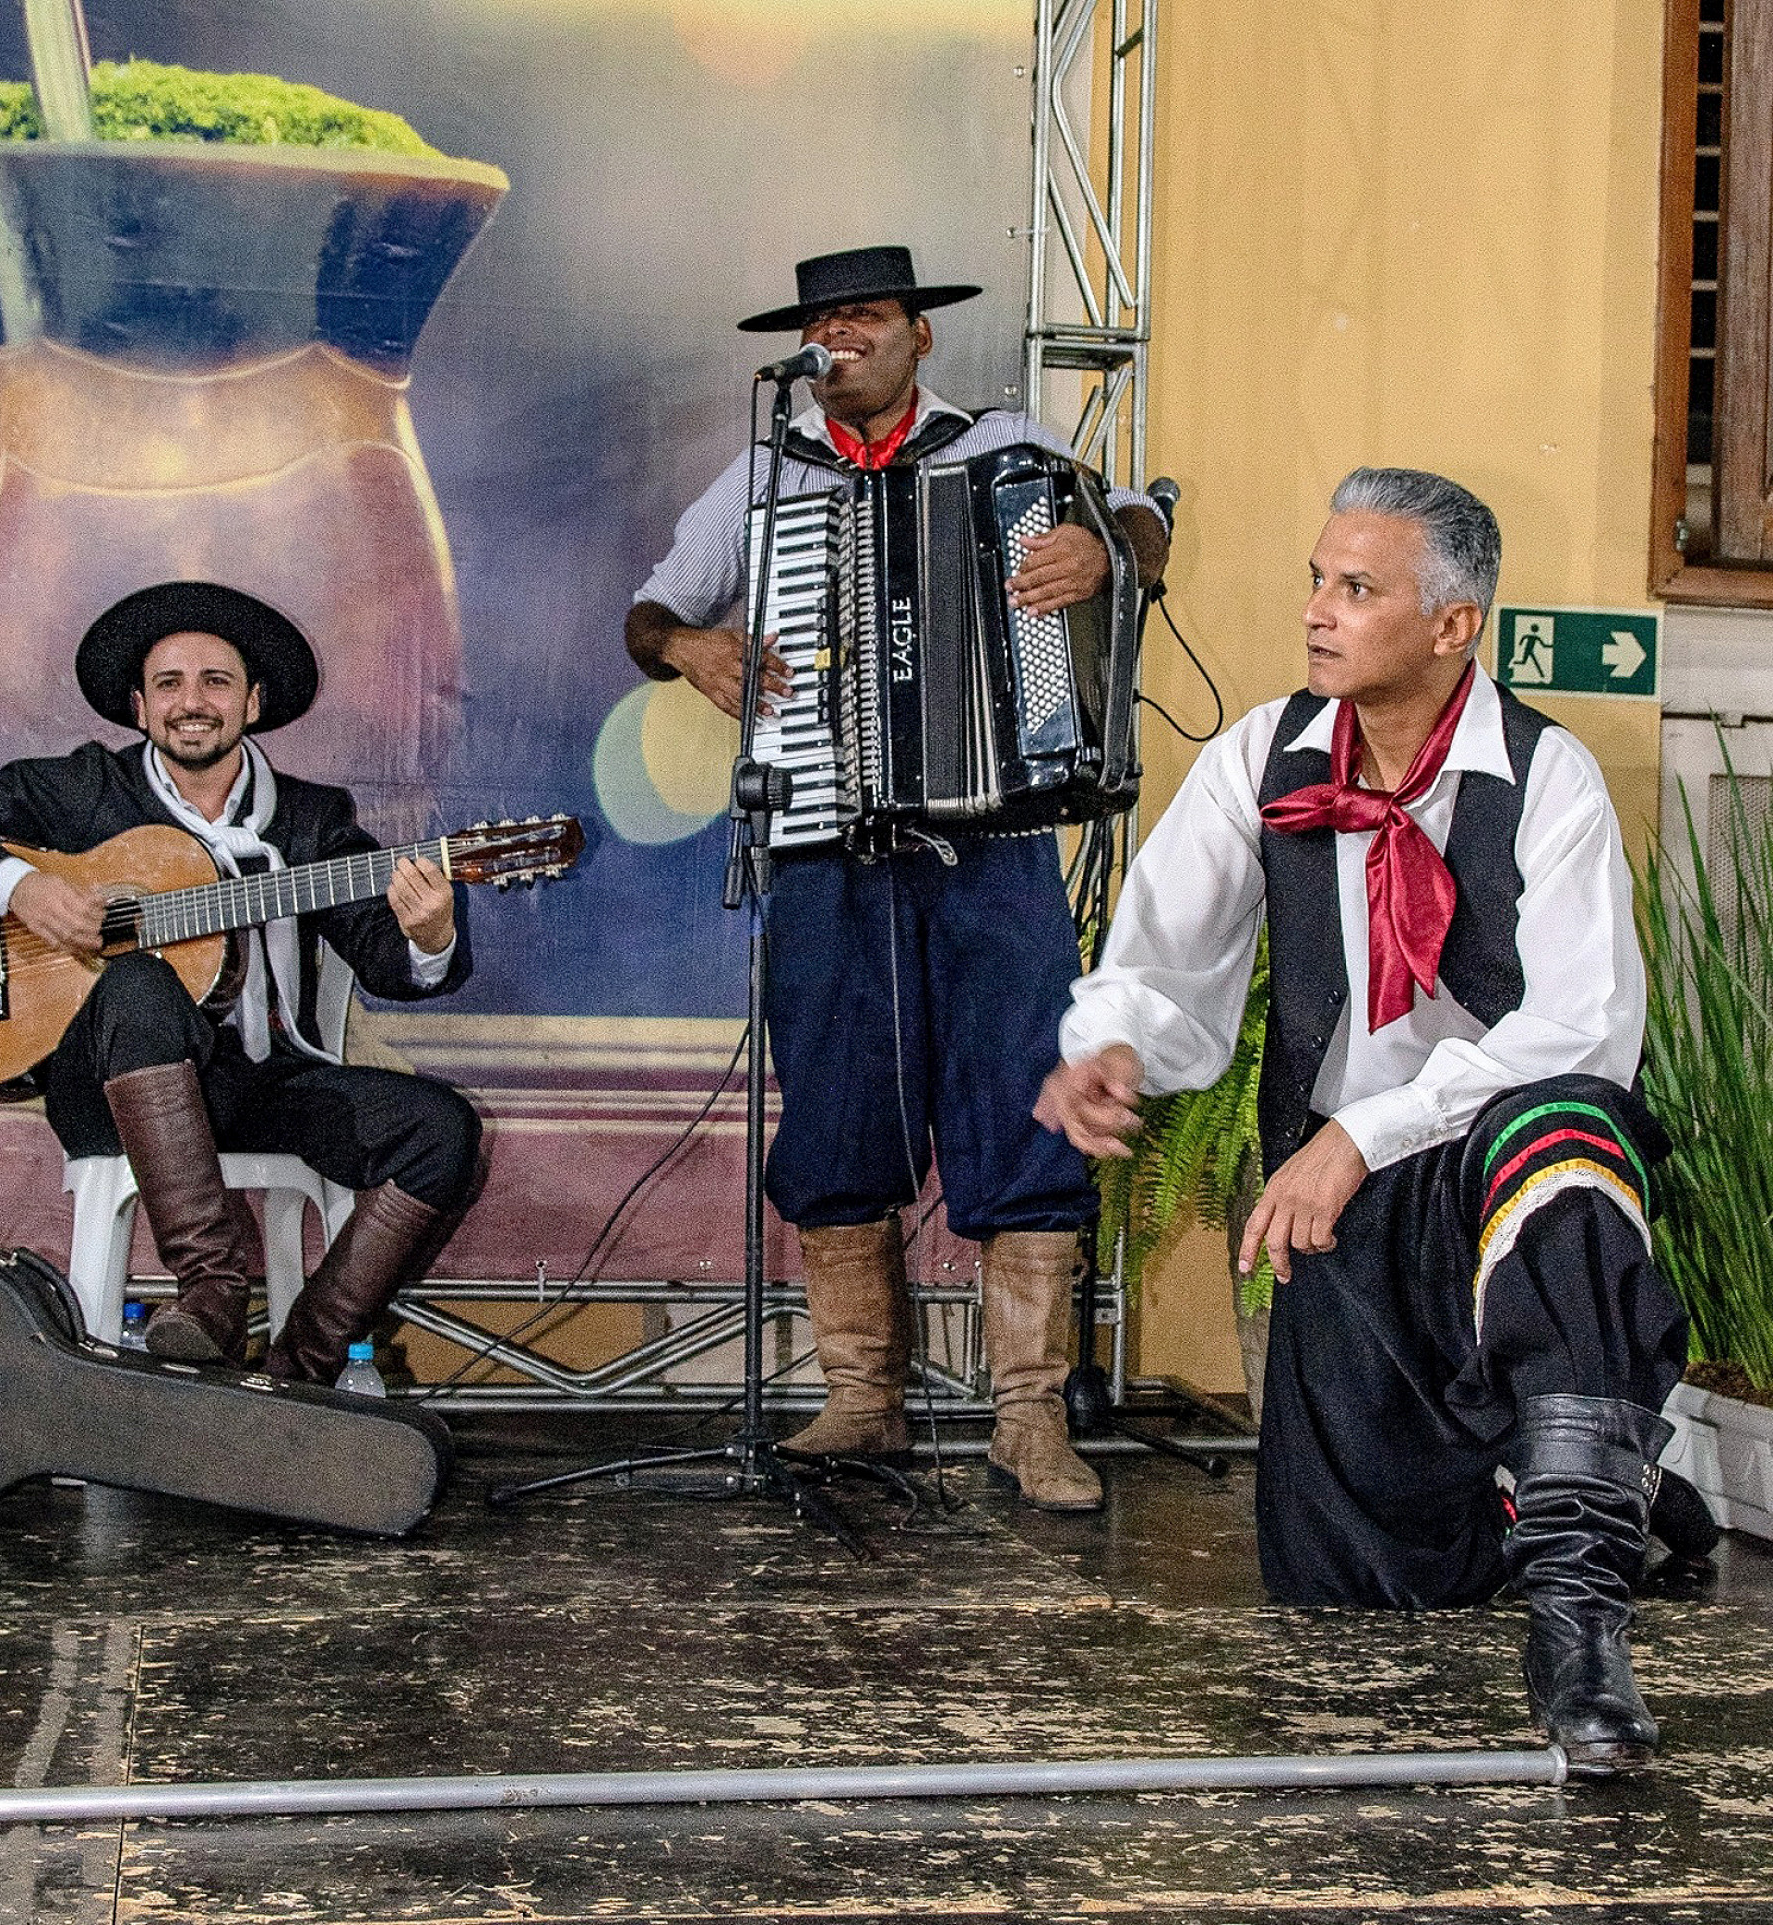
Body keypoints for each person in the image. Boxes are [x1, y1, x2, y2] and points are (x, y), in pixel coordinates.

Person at [1036, 467, 1690, 1773]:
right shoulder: (1263, 753)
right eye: (1315, 580)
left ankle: (1580, 1629)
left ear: (1451, 625)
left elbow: (1580, 1029)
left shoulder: (1546, 777)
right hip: (1344, 1197)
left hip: (1491, 1175)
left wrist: (1365, 1132)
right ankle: (1587, 1489)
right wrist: (1113, 1044)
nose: (1315, 611)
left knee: (1566, 1142)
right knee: (1346, 1582)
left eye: (1354, 587)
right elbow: (1166, 947)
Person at [627, 245, 1171, 1510]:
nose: (841, 336)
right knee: (834, 1110)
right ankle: (863, 1396)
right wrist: (692, 648)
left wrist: (1105, 550)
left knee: (1023, 1101)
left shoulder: (1004, 446)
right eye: (824, 320)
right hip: (824, 843)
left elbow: (1143, 517)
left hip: (994, 842)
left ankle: (1027, 1416)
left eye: (866, 315)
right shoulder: (766, 471)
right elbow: (649, 614)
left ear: (919, 336)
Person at [0, 581, 482, 1385]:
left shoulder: (310, 820)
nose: (191, 702)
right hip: (111, 1090)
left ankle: (300, 1370)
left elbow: (384, 958)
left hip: (262, 1083)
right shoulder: (90, 788)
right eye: (169, 684)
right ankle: (211, 1291)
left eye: (215, 681)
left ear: (253, 702)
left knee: (441, 1129)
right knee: (140, 983)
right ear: (139, 707)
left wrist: (430, 935)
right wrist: (22, 890)